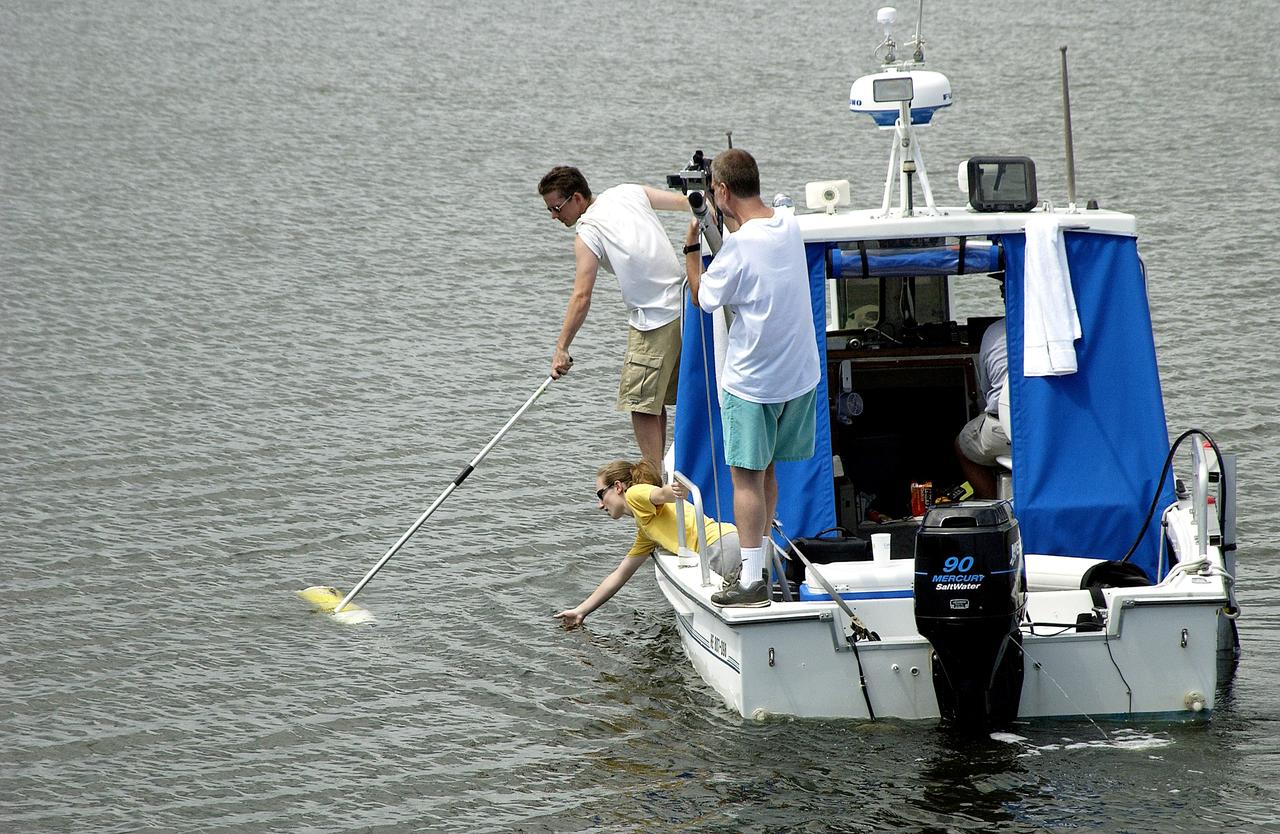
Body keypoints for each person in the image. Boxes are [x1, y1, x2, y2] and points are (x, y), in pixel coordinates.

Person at [683, 149, 821, 608]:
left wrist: (691, 246)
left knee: (746, 479)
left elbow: (704, 296)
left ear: (720, 191)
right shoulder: (788, 223)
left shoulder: (738, 247)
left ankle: (750, 582)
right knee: (768, 474)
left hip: (753, 383)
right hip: (798, 377)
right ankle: (758, 568)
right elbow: (753, 246)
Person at [538, 166, 694, 466]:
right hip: (685, 307)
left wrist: (561, 348)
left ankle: (651, 478)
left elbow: (581, 296)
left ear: (577, 198)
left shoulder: (588, 232)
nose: (554, 217)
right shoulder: (627, 191)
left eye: (556, 209)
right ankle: (659, 471)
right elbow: (684, 201)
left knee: (639, 403)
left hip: (654, 321)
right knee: (654, 402)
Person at [553, 459, 740, 629]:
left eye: (600, 495)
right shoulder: (646, 529)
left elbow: (658, 494)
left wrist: (672, 491)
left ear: (618, 487)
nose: (600, 505)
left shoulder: (634, 494)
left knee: (733, 614)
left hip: (718, 548)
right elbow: (620, 574)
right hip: (728, 542)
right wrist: (581, 610)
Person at [955, 317, 1009, 498]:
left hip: (1004, 432)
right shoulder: (1063, 329)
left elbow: (986, 390)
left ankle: (996, 508)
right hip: (1055, 433)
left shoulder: (994, 332)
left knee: (962, 446)